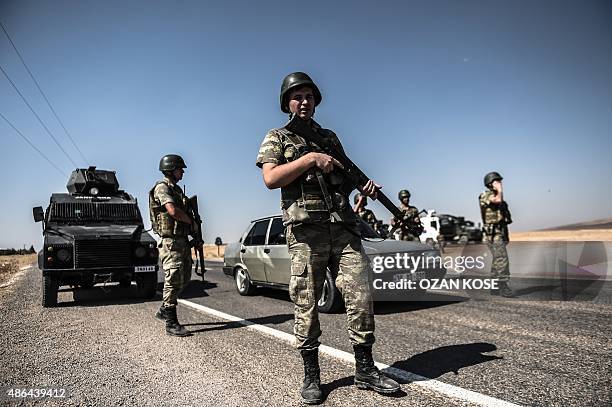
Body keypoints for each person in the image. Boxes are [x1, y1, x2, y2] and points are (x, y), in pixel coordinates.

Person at [256, 72, 399, 404]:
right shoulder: (278, 137)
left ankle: (365, 369)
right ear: (287, 103)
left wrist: (361, 186)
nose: (304, 101)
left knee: (360, 297)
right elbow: (271, 178)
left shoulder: (329, 137)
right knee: (307, 303)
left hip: (344, 230)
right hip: (307, 234)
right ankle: (311, 376)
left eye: (309, 96)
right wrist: (308, 159)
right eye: (297, 96)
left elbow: (342, 179)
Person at [149, 154, 202, 336]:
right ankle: (171, 323)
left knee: (184, 278)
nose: (183, 172)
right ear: (171, 169)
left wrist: (194, 232)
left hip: (181, 240)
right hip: (170, 241)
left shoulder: (177, 190)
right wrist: (191, 222)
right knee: (173, 279)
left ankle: (164, 309)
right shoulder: (162, 188)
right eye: (180, 168)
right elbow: (172, 211)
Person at [479, 171, 514, 297]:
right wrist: (500, 190)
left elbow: (505, 221)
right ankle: (503, 285)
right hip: (491, 235)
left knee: (497, 259)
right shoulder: (485, 195)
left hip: (500, 233)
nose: (500, 183)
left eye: (500, 181)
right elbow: (497, 199)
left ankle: (494, 285)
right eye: (497, 181)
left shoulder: (503, 202)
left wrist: (506, 236)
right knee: (502, 258)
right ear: (490, 184)